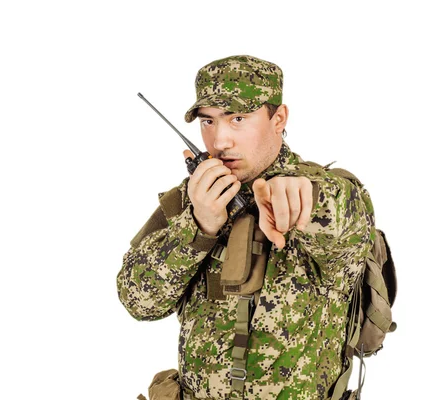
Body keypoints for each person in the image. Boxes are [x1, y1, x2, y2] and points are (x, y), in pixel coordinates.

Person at [117, 55, 375, 400]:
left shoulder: (330, 193)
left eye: (237, 118)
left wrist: (304, 198)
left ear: (278, 118)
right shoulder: (192, 199)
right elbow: (140, 303)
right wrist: (198, 226)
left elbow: (341, 221)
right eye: (208, 122)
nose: (220, 141)